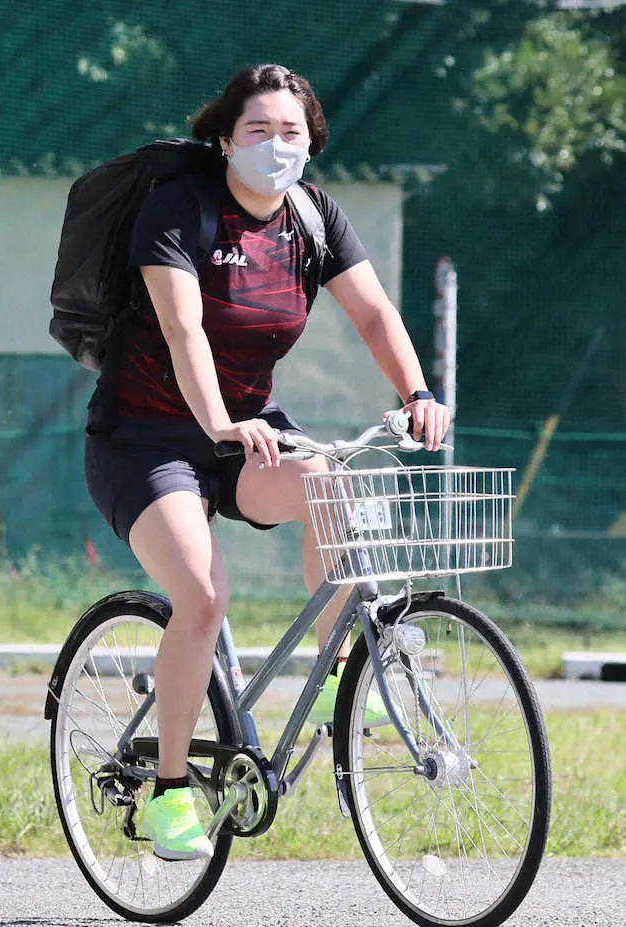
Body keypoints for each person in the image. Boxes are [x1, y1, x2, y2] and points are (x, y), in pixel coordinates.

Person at [85, 64, 450, 861]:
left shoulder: (313, 218)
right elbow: (181, 329)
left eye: (291, 132)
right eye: (257, 130)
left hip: (246, 435)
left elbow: (373, 312)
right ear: (223, 139)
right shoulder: (178, 208)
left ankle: (340, 673)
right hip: (145, 437)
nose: (275, 145)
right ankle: (169, 792)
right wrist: (216, 420)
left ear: (311, 143)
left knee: (328, 483)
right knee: (202, 597)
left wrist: (418, 391)